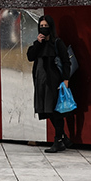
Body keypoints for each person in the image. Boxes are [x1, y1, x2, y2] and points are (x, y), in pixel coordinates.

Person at [26, 15, 73, 153]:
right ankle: (63, 138)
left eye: (46, 26)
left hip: (54, 82)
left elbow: (66, 61)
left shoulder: (57, 43)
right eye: (41, 26)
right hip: (40, 81)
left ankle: (58, 140)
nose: (43, 28)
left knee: (55, 111)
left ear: (51, 27)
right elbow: (30, 57)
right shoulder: (38, 43)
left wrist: (65, 80)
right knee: (47, 110)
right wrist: (38, 42)